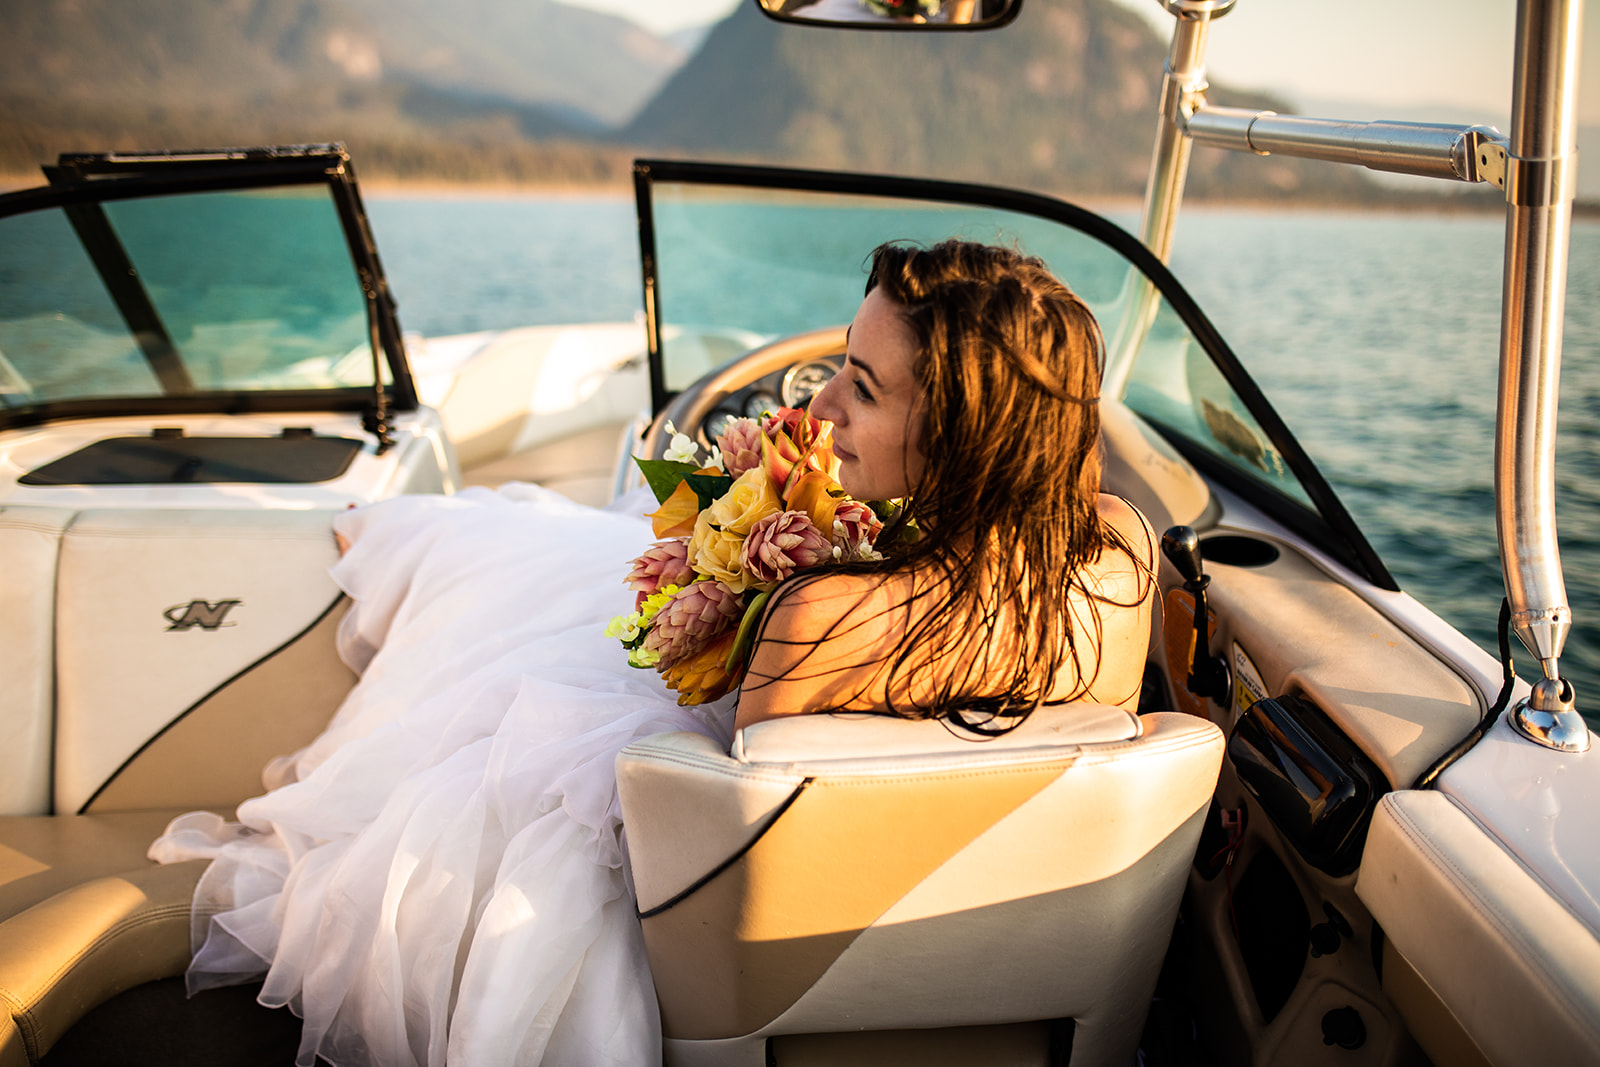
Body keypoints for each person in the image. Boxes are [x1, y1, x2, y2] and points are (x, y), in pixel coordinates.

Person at [149, 239, 1155, 1067]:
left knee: (515, 601)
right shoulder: (1116, 566)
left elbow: (747, 822)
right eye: (838, 369)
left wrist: (769, 565)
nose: (822, 412)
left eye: (864, 386)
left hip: (699, 890)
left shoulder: (817, 621)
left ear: (964, 433)